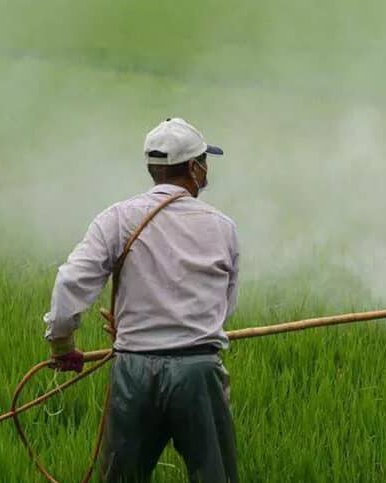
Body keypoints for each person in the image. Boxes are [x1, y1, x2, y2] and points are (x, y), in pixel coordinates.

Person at [42, 118, 240, 482]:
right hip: (198, 372)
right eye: (204, 162)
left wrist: (62, 346)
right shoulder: (222, 227)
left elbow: (71, 280)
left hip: (134, 372)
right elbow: (224, 307)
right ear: (194, 168)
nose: (207, 169)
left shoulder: (117, 218)